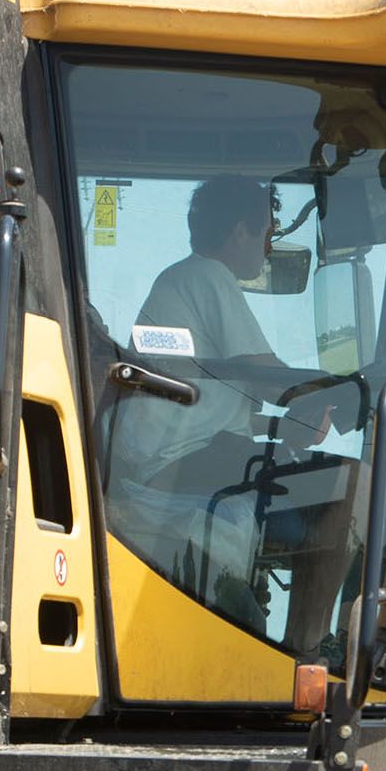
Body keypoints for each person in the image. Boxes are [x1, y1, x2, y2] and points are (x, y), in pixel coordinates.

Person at [109, 175, 312, 634]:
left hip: (166, 454)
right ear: (241, 230)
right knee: (335, 497)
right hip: (174, 463)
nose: (267, 246)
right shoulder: (207, 275)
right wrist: (329, 393)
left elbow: (211, 401)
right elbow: (267, 377)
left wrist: (284, 426)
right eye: (267, 233)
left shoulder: (182, 280)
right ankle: (310, 645)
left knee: (294, 477)